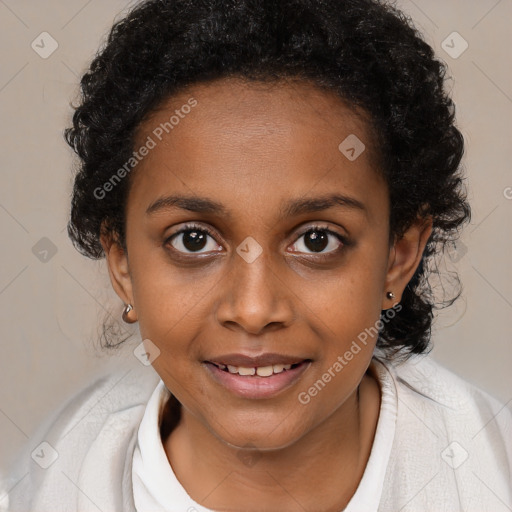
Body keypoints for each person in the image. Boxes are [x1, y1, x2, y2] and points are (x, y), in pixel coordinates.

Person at [1, 0, 511, 510]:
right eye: (193, 240)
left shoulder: (491, 473)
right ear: (123, 265)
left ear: (399, 255)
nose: (253, 309)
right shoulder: (48, 488)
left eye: (317, 240)